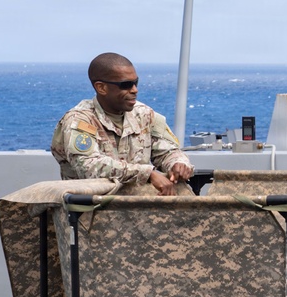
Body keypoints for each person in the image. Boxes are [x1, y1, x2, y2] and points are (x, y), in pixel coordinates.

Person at [51, 52, 194, 195]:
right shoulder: (80, 120)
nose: (134, 90)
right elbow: (89, 166)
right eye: (125, 85)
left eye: (135, 83)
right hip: (90, 207)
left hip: (135, 203)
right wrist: (147, 173)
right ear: (101, 88)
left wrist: (178, 164)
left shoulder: (144, 114)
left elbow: (167, 151)